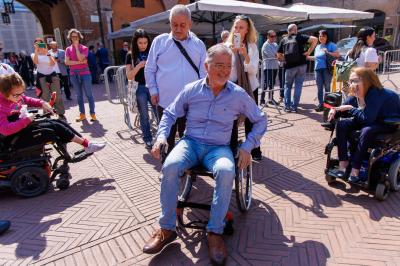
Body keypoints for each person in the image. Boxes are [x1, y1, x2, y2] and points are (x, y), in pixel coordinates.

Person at [142, 44, 267, 265]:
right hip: (190, 143)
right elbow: (170, 113)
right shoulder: (191, 89)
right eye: (219, 65)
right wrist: (161, 136)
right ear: (206, 66)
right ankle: (167, 228)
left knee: (227, 171)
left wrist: (248, 145)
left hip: (219, 148)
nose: (224, 71)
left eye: (228, 66)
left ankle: (215, 232)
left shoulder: (238, 95)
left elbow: (261, 119)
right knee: (170, 166)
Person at [145, 4, 207, 153]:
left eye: (182, 25)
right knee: (166, 138)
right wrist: (153, 90)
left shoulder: (199, 45)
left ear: (190, 24)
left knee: (190, 139)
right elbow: (150, 68)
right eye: (174, 25)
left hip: (191, 103)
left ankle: (189, 171)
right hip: (166, 102)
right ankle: (167, 170)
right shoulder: (159, 42)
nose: (178, 29)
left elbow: (204, 74)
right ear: (170, 22)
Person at [0, 73, 106, 155]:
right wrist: (26, 120)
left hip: (21, 128)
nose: (20, 97)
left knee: (58, 122)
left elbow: (27, 99)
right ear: (4, 93)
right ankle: (87, 145)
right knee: (53, 127)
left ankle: (87, 144)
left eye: (22, 93)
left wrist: (43, 103)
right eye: (16, 95)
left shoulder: (15, 96)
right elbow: (5, 130)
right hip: (12, 138)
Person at [327, 67, 400, 183]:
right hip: (369, 119)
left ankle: (355, 168)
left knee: (366, 130)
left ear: (367, 81)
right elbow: (345, 108)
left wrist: (350, 109)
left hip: (387, 121)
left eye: (356, 80)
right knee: (341, 124)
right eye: (351, 81)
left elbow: (366, 119)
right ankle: (343, 162)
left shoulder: (375, 93)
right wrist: (334, 111)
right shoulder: (357, 92)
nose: (352, 84)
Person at [226, 15, 262, 161]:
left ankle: (254, 149)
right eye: (236, 27)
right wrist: (231, 54)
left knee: (251, 119)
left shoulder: (252, 47)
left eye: (241, 27)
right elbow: (226, 71)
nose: (238, 30)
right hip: (233, 88)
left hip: (250, 87)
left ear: (247, 30)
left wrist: (245, 55)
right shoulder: (226, 46)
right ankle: (232, 147)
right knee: (232, 119)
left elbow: (253, 70)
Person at [126, 29, 156, 149]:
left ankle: (162, 138)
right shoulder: (130, 55)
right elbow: (129, 76)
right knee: (144, 116)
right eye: (140, 43)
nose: (143, 45)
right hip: (140, 88)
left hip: (153, 86)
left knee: (159, 112)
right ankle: (147, 139)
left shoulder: (152, 52)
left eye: (145, 42)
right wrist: (139, 65)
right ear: (135, 43)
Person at [277, 24, 318, 113]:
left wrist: (285, 58)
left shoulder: (284, 40)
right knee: (298, 86)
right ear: (295, 30)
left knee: (287, 86)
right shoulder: (300, 37)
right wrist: (308, 52)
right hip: (302, 65)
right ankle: (294, 107)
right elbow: (315, 39)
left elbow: (278, 55)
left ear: (288, 31)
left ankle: (287, 106)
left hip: (289, 66)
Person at [65, 29, 97, 122]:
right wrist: (79, 62)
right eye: (72, 37)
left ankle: (92, 114)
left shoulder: (84, 48)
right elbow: (67, 62)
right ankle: (82, 114)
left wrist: (76, 48)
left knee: (89, 94)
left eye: (76, 36)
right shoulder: (68, 49)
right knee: (79, 95)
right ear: (70, 38)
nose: (74, 38)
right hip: (73, 74)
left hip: (85, 73)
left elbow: (80, 57)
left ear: (79, 37)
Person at [32, 38, 66, 120]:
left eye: (40, 43)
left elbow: (52, 63)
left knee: (57, 95)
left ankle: (60, 113)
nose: (39, 45)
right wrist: (37, 51)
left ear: (43, 44)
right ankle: (47, 114)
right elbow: (36, 62)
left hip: (52, 75)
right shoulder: (33, 54)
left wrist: (47, 53)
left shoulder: (49, 53)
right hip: (42, 76)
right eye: (37, 43)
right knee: (45, 96)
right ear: (34, 45)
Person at [309, 30, 339, 112]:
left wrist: (328, 52)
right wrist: (307, 57)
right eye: (320, 36)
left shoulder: (331, 45)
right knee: (319, 88)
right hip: (317, 69)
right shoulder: (318, 47)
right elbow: (316, 57)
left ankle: (328, 105)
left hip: (327, 69)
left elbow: (337, 55)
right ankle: (321, 104)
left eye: (323, 36)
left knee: (327, 87)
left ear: (327, 37)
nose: (321, 37)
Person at [261, 30, 280, 105]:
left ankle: (271, 99)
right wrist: (278, 56)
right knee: (266, 83)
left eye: (275, 36)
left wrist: (278, 55)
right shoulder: (265, 45)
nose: (274, 38)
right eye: (272, 36)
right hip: (268, 67)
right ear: (268, 36)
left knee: (272, 84)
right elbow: (274, 55)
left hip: (274, 67)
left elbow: (278, 54)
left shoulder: (275, 44)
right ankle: (262, 100)